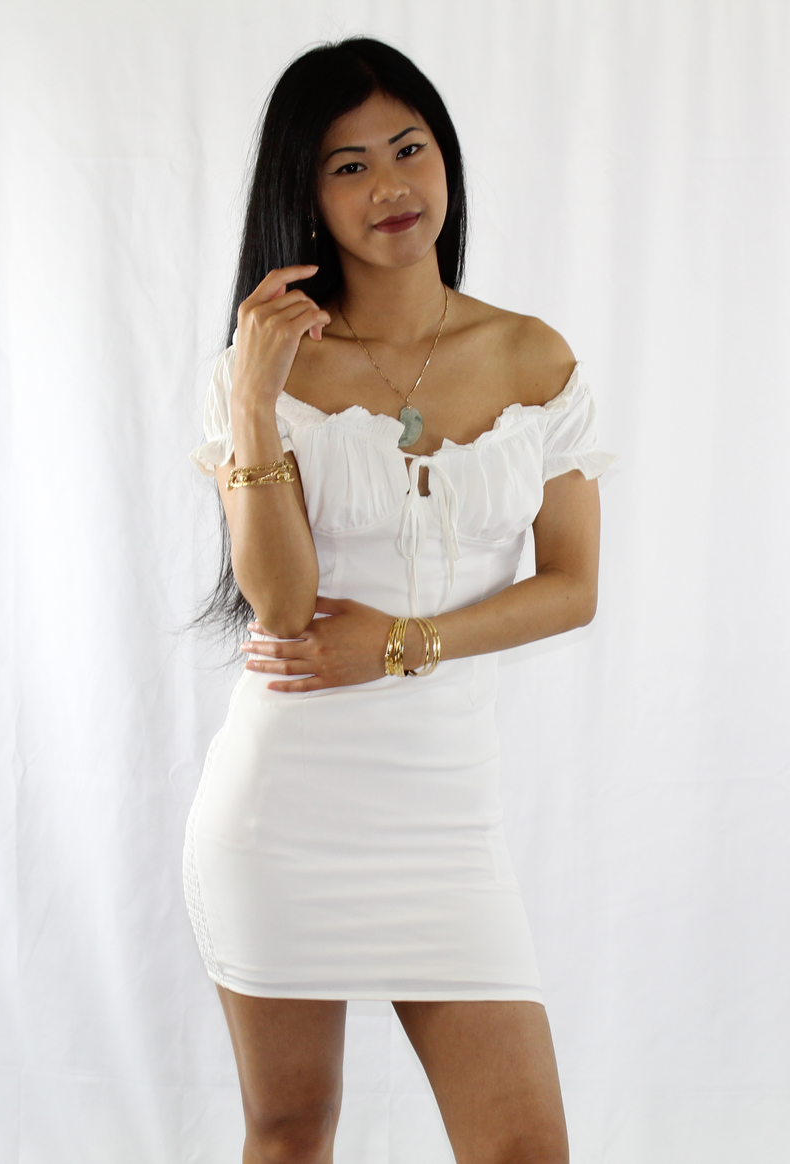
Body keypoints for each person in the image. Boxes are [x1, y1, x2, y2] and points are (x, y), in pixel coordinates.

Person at [184, 35, 617, 1164]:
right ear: (306, 193)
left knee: (524, 1147)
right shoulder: (261, 375)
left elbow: (572, 587)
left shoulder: (531, 356)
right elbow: (282, 608)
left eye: (408, 148)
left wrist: (408, 642)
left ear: (445, 158)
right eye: (349, 165)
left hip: (447, 821)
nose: (389, 186)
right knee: (291, 1130)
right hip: (282, 815)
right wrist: (251, 402)